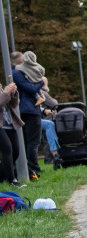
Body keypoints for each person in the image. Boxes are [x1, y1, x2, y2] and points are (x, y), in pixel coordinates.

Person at [11, 51, 46, 180]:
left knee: (27, 141)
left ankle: (29, 168)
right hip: (29, 110)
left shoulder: (17, 73)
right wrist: (42, 82)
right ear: (21, 61)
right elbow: (31, 89)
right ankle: (33, 169)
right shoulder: (18, 73)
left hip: (24, 110)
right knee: (32, 141)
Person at [1, 79, 24, 186]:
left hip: (10, 124)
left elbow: (13, 105)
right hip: (1, 126)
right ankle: (12, 180)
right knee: (7, 150)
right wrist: (6, 93)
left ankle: (2, 176)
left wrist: (13, 93)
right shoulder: (3, 91)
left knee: (16, 152)